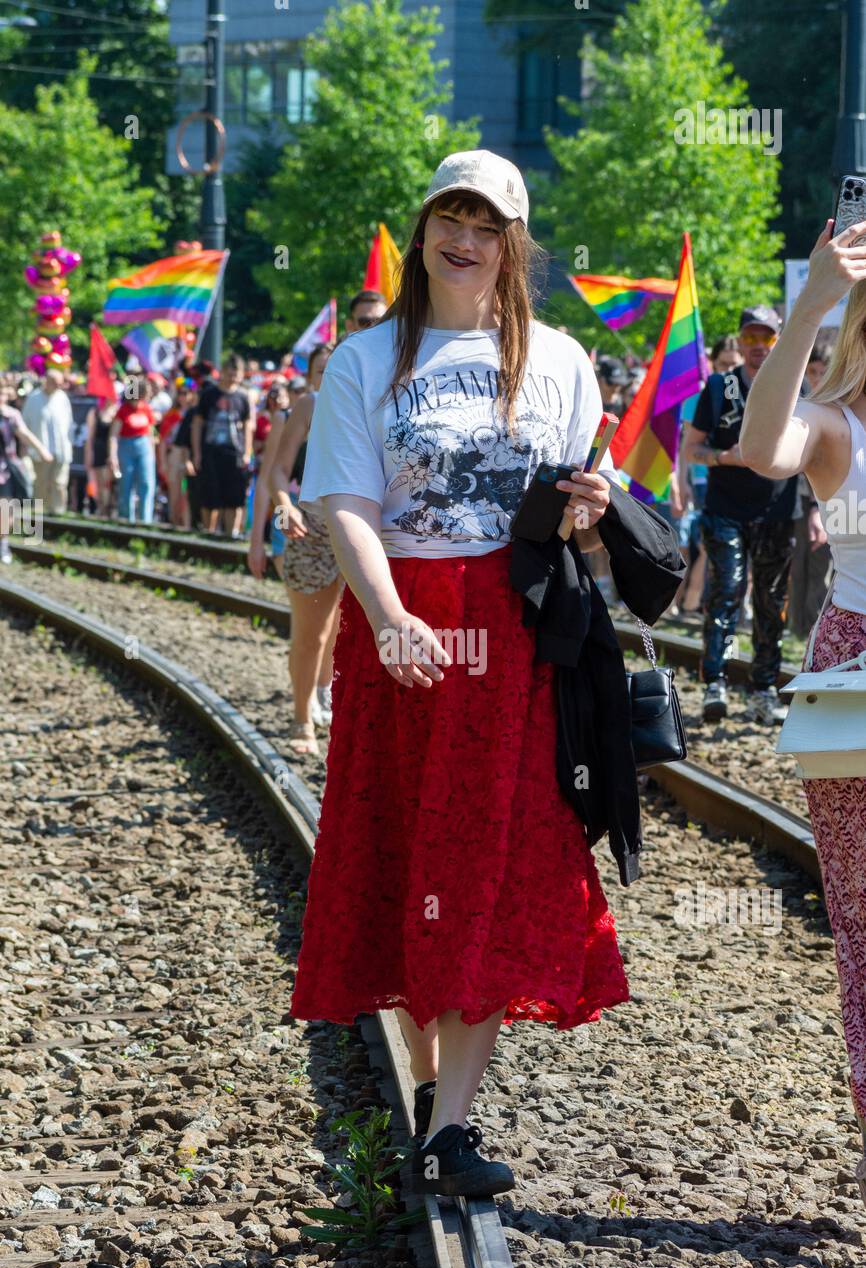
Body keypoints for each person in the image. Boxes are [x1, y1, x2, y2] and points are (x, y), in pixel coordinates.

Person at [288, 150, 639, 1198]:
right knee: (407, 845)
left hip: (516, 633)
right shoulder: (361, 360)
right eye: (449, 215)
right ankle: (432, 1084)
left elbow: (591, 499)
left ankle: (448, 1127)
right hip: (404, 621)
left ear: (512, 243)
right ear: (424, 230)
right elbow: (343, 504)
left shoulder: (563, 359)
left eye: (486, 223)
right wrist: (386, 615)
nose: (465, 237)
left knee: (490, 854)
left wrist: (590, 505)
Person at [740, 214, 866, 1211]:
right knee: (862, 928)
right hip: (857, 675)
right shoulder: (836, 424)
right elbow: (757, 444)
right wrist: (806, 312)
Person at [683, 306, 800, 724]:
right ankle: (715, 680)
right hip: (725, 510)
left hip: (778, 512)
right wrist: (724, 458)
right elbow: (691, 449)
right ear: (740, 340)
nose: (757, 347)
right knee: (727, 591)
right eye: (750, 338)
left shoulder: (794, 386)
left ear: (778, 339)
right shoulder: (718, 388)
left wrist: (821, 512)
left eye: (765, 338)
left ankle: (763, 687)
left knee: (771, 602)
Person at [248, 344, 340, 755]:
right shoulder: (308, 406)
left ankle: (327, 694)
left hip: (365, 532)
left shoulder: (378, 397)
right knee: (312, 633)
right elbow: (276, 473)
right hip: (311, 530)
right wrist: (281, 511)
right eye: (322, 370)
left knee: (342, 631)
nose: (328, 376)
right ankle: (302, 718)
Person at [676, 336, 744, 613]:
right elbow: (684, 446)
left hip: (739, 482)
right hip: (705, 481)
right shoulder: (702, 396)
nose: (729, 369)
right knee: (705, 546)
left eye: (734, 364)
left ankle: (717, 605)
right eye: (723, 363)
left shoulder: (749, 393)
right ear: (713, 363)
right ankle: (690, 601)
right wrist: (681, 483)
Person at [788, 345, 833, 637]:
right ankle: (798, 627)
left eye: (822, 372)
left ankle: (815, 624)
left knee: (821, 564)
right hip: (798, 497)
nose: (816, 378)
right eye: (812, 372)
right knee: (798, 561)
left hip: (828, 498)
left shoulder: (838, 405)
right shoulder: (800, 403)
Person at [191, 353, 253, 537]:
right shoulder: (208, 394)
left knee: (234, 497)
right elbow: (197, 423)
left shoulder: (243, 397)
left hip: (234, 452)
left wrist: (247, 452)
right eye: (230, 372)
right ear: (223, 372)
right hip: (210, 451)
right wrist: (196, 453)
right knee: (210, 495)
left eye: (237, 373)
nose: (233, 377)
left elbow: (248, 426)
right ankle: (208, 532)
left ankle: (231, 533)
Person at [0, 382, 52, 563]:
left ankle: (4, 544)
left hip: (6, 469)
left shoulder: (11, 415)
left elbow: (25, 434)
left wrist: (42, 450)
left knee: (9, 510)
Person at [21, 369, 73, 513]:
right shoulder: (34, 398)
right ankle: (39, 515)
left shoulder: (63, 398)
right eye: (56, 383)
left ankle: (58, 513)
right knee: (41, 484)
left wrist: (70, 445)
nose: (58, 387)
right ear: (47, 382)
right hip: (40, 451)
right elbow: (24, 425)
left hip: (61, 449)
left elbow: (69, 424)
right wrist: (26, 448)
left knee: (60, 483)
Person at [111, 378, 157, 524]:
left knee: (146, 483)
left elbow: (150, 434)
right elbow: (113, 435)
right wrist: (113, 456)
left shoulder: (146, 409)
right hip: (126, 446)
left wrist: (153, 455)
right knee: (126, 484)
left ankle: (145, 520)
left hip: (144, 447)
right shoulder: (123, 410)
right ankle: (126, 519)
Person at [157, 381, 195, 529]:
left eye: (186, 393)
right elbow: (162, 441)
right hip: (174, 455)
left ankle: (187, 525)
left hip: (189, 456)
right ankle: (174, 524)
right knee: (175, 493)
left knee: (187, 495)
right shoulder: (170, 416)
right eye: (180, 393)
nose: (183, 397)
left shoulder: (195, 414)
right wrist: (162, 464)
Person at [84, 396, 119, 517]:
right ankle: (101, 509)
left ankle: (109, 509)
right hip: (99, 452)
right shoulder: (95, 412)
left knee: (110, 484)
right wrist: (89, 454)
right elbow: (90, 437)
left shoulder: (117, 412)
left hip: (113, 453)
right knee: (100, 484)